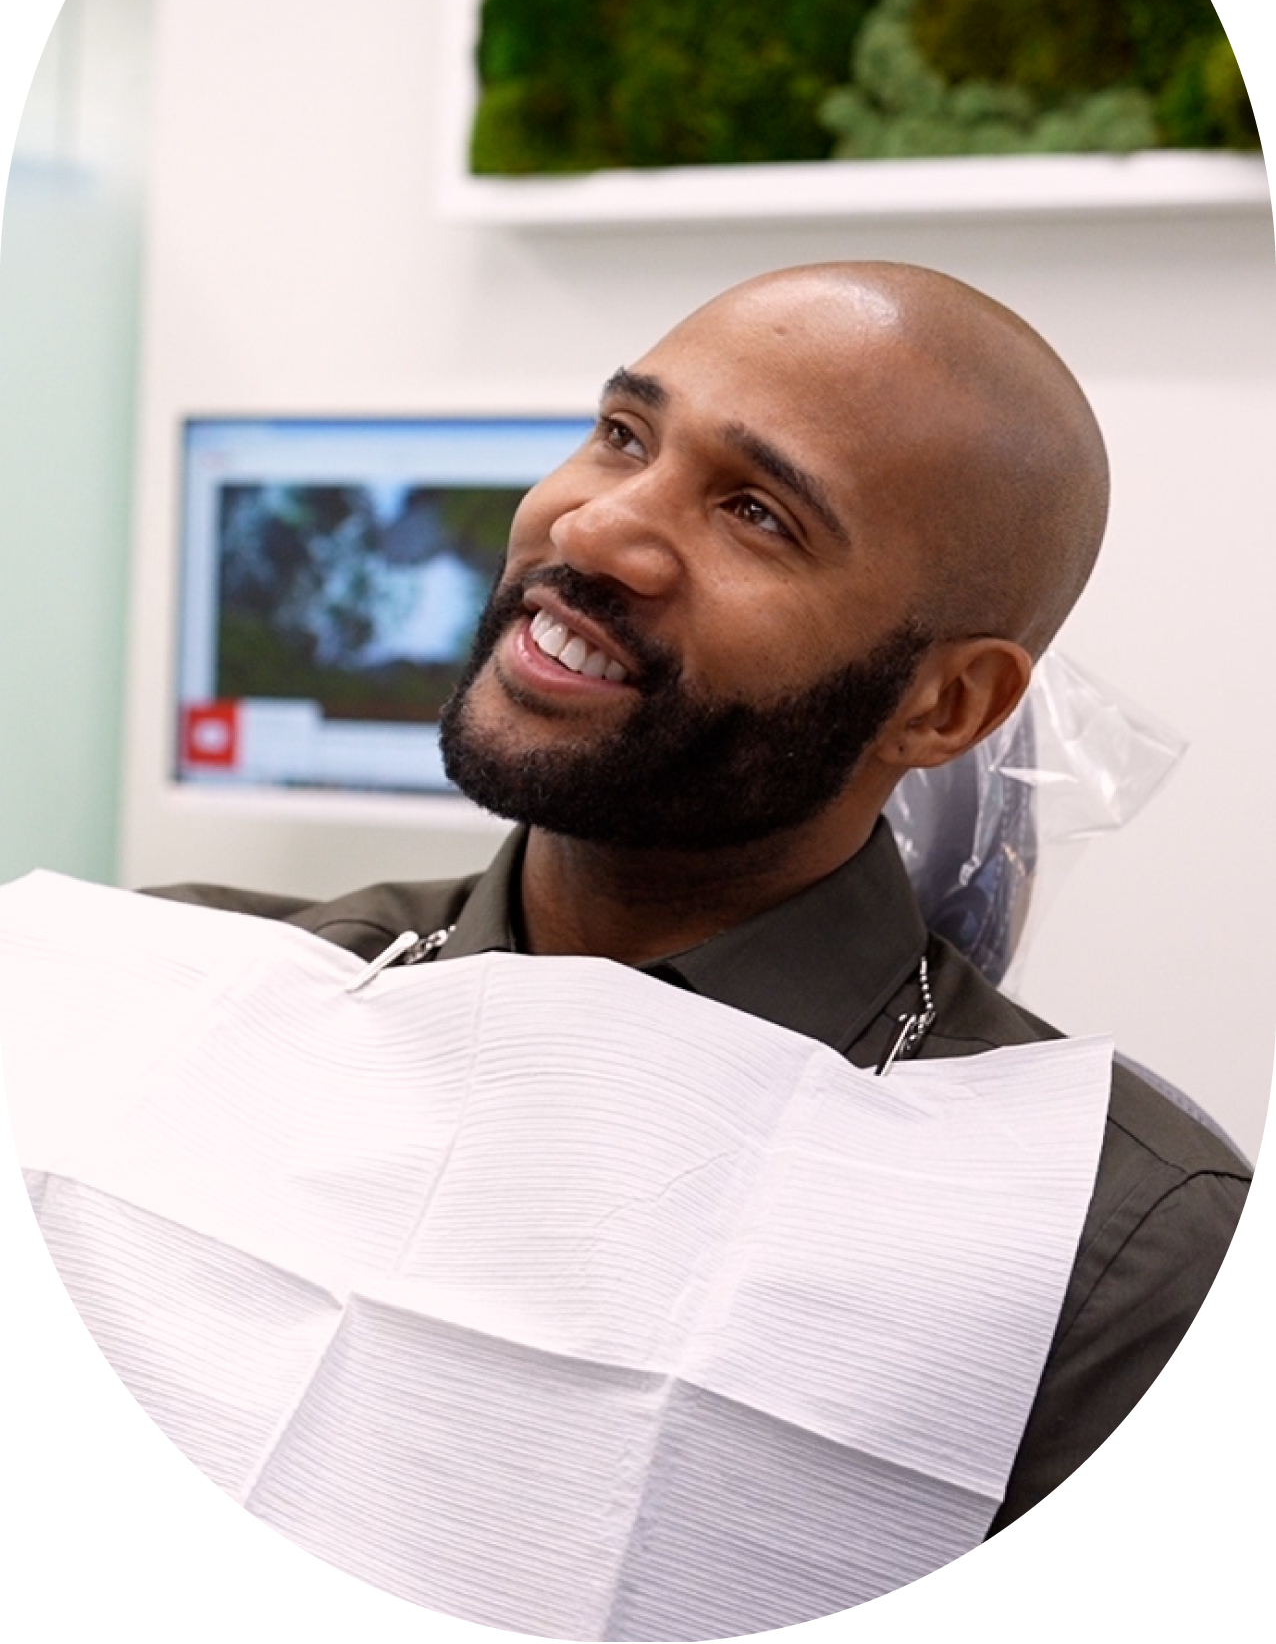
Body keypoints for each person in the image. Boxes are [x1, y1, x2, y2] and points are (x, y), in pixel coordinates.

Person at [155, 259, 1249, 1534]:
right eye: (622, 433)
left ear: (943, 704)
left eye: (757, 513)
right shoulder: (187, 994)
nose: (591, 528)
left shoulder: (1113, 1255)